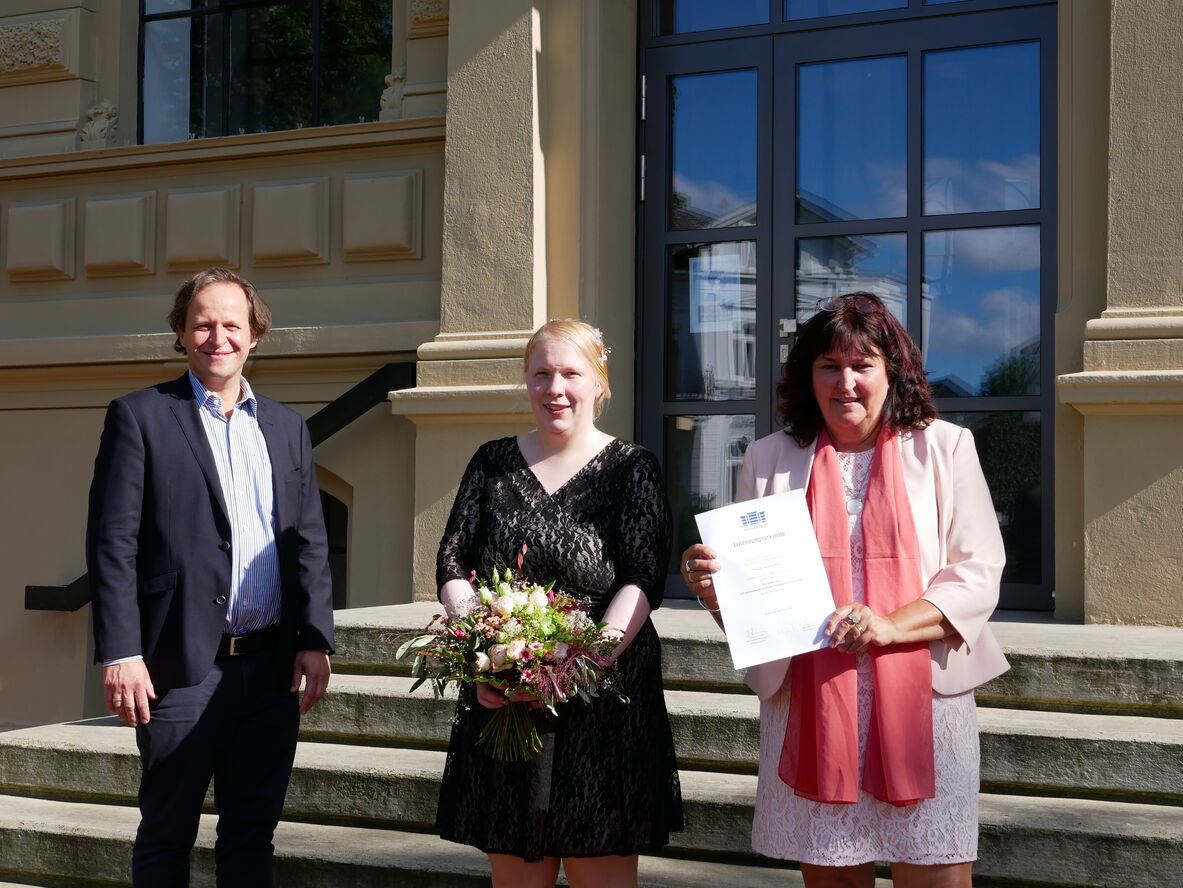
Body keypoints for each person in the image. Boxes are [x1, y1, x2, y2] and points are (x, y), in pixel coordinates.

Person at [681, 292, 1009, 888]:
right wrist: (712, 589)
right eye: (829, 366)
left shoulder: (945, 445)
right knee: (832, 877)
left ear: (892, 371)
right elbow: (754, 603)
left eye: (863, 365)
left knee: (937, 877)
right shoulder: (768, 456)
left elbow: (978, 570)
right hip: (812, 696)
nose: (846, 382)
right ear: (808, 378)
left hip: (923, 702)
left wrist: (890, 623)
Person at [87, 267, 335, 887]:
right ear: (180, 332)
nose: (217, 336)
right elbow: (112, 543)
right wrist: (122, 650)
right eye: (202, 323)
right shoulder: (140, 416)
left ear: (255, 335)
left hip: (270, 668)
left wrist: (314, 638)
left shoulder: (286, 428)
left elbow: (308, 543)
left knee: (251, 837)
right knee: (167, 834)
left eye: (232, 324)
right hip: (177, 669)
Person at [434, 319, 684, 888]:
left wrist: (585, 663)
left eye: (571, 373)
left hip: (602, 700)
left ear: (599, 384)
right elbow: (452, 561)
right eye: (541, 373)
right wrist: (486, 649)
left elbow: (641, 578)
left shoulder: (631, 469)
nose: (555, 388)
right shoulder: (490, 463)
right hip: (507, 699)